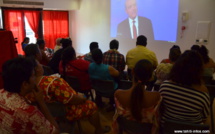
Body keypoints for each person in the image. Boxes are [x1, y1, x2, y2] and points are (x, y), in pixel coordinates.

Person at [28, 58, 107, 134]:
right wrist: (83, 98)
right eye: (39, 64)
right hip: (65, 111)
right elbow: (71, 99)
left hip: (46, 114)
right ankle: (99, 130)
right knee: (92, 105)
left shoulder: (27, 88)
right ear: (36, 69)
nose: (41, 65)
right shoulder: (53, 82)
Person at [0, 57, 59, 134]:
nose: (35, 78)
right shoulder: (29, 112)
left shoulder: (1, 93)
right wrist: (41, 103)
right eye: (33, 75)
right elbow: (55, 132)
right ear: (25, 84)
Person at [159, 50, 210, 129]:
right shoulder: (203, 95)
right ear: (199, 71)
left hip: (167, 129)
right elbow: (204, 118)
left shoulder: (165, 87)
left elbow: (161, 110)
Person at [113, 59, 161, 134]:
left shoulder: (118, 94)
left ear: (132, 71)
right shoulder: (156, 96)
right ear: (151, 76)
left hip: (127, 129)